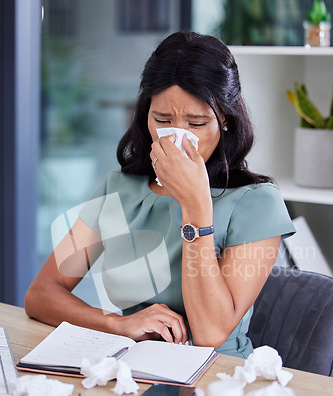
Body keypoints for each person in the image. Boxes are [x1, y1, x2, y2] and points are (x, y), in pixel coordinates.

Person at [25, 31, 295, 358]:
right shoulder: (119, 188)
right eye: (163, 119)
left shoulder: (257, 203)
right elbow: (41, 294)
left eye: (196, 123)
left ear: (224, 119)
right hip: (133, 367)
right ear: (146, 114)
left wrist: (195, 207)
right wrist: (116, 324)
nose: (178, 137)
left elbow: (210, 333)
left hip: (218, 377)